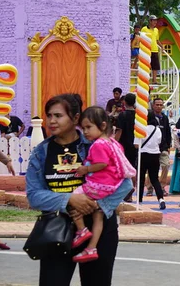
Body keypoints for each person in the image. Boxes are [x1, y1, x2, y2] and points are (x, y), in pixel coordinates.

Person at [26, 94, 132, 286]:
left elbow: (125, 183)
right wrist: (69, 200)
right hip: (57, 230)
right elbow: (34, 196)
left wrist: (97, 205)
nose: (51, 121)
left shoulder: (99, 145)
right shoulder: (41, 152)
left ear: (75, 118)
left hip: (98, 231)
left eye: (58, 116)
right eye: (49, 115)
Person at [71, 107, 136, 263]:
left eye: (88, 127)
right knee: (98, 215)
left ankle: (81, 230)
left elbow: (101, 163)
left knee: (73, 198)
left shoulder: (98, 144)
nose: (85, 132)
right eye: (83, 128)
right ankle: (91, 248)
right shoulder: (113, 143)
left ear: (102, 126)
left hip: (98, 185)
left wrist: (85, 169)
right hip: (111, 186)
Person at [134, 112, 166, 210]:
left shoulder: (140, 130)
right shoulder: (158, 130)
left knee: (141, 179)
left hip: (143, 155)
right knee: (154, 179)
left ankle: (139, 201)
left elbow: (136, 145)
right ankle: (161, 199)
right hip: (155, 155)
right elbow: (159, 142)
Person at [114, 93, 137, 202]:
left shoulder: (122, 115)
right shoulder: (138, 115)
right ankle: (132, 190)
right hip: (135, 144)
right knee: (133, 168)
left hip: (123, 145)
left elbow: (119, 131)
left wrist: (114, 143)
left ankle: (126, 190)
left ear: (125, 102)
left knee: (123, 169)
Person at [146, 98, 171, 197]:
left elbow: (167, 132)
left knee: (165, 165)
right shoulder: (149, 117)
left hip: (163, 147)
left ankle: (162, 186)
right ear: (153, 105)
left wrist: (168, 145)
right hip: (151, 148)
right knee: (150, 168)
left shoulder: (164, 118)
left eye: (161, 105)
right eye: (157, 104)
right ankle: (149, 188)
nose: (159, 106)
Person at [141, 15, 162, 84]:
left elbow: (157, 40)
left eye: (156, 20)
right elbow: (142, 38)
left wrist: (162, 46)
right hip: (147, 49)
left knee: (155, 66)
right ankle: (146, 79)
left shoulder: (156, 30)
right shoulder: (144, 29)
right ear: (150, 21)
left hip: (155, 49)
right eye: (154, 20)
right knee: (146, 65)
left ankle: (154, 80)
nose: (155, 22)